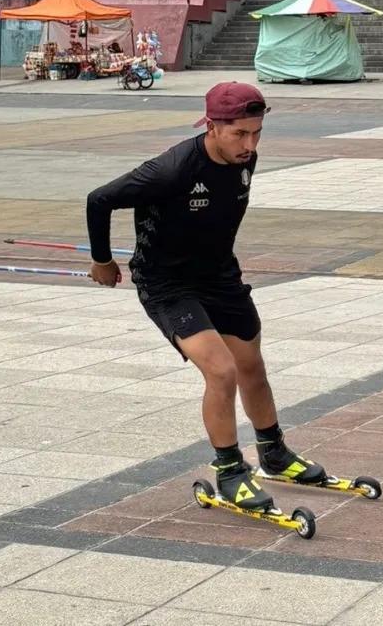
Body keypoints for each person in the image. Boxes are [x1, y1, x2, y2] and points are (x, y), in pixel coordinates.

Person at [86, 82, 327, 512]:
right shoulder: (172, 170)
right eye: (239, 134)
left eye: (256, 133)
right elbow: (99, 199)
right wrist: (103, 261)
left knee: (252, 365)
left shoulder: (244, 159)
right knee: (222, 371)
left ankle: (273, 453)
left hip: (220, 277)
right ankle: (231, 471)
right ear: (212, 126)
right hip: (168, 284)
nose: (249, 145)